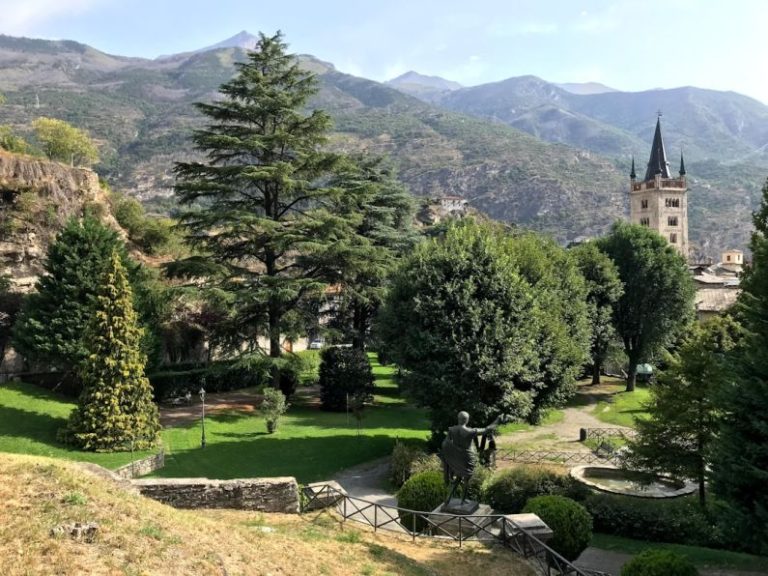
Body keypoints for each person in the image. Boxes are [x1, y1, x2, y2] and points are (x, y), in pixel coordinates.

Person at [441, 411, 505, 505]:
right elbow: (487, 430)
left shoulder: (452, 430)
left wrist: (452, 455)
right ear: (466, 420)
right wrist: (498, 419)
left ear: (458, 419)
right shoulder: (469, 431)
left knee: (458, 478)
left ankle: (449, 498)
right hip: (467, 458)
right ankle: (462, 500)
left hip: (458, 458)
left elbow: (445, 444)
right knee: (466, 479)